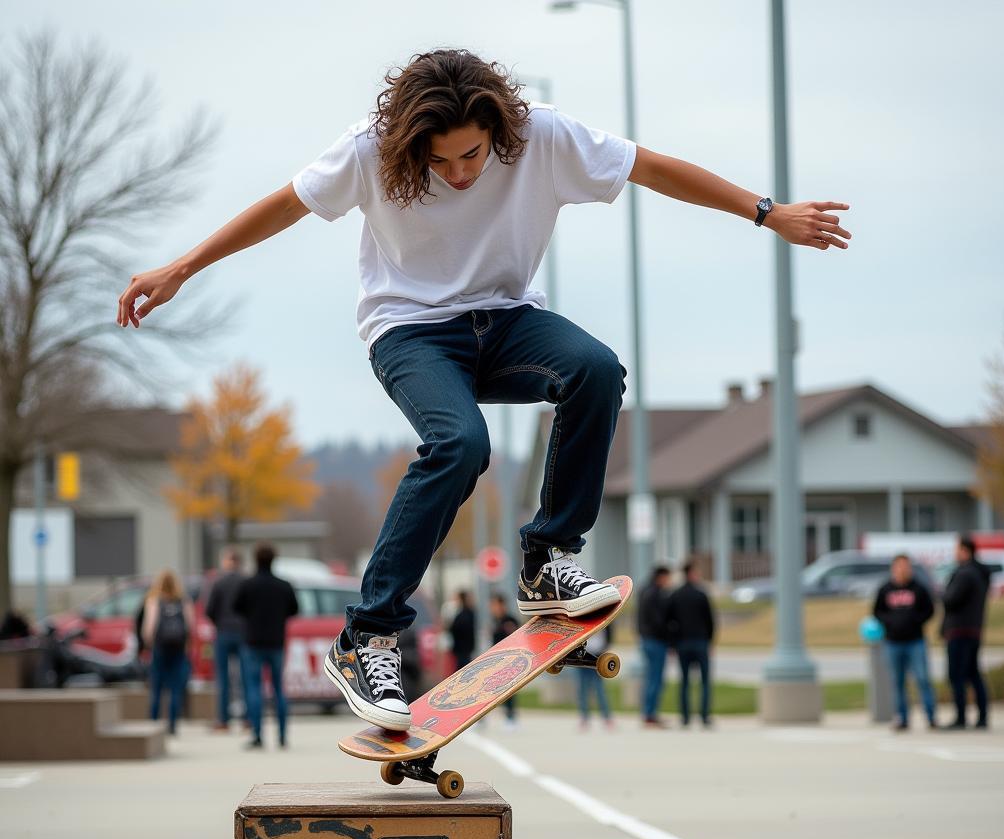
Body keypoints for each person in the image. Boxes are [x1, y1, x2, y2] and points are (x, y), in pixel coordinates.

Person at [116, 49, 850, 732]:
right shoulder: (369, 149)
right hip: (409, 333)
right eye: (440, 162)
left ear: (497, 126)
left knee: (595, 369)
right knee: (461, 444)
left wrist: (766, 211)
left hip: (507, 322)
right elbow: (284, 205)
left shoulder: (542, 137)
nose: (461, 172)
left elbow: (651, 168)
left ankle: (547, 556)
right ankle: (367, 636)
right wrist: (183, 267)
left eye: (472, 154)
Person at [233, 544, 298, 749]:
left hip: (252, 642)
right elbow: (294, 609)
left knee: (254, 688)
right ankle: (282, 736)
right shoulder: (284, 585)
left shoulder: (247, 585)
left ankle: (257, 735)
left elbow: (236, 608)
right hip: (276, 642)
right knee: (279, 688)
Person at [872, 554, 936, 731]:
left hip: (916, 641)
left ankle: (931, 717)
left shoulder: (919, 588)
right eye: (899, 566)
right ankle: (902, 719)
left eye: (905, 566)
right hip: (893, 642)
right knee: (898, 682)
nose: (902, 569)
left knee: (923, 679)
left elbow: (930, 610)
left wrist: (915, 620)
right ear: (894, 568)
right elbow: (877, 611)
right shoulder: (885, 589)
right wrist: (890, 622)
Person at [941, 536, 993, 730]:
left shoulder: (965, 574)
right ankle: (982, 716)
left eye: (957, 549)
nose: (955, 553)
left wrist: (943, 593)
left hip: (960, 630)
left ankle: (961, 717)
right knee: (973, 673)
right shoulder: (980, 573)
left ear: (965, 550)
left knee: (957, 675)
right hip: (974, 629)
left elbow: (950, 599)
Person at [141, 569, 194, 735]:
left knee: (156, 686)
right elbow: (190, 625)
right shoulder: (183, 600)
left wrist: (148, 644)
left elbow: (149, 627)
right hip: (178, 648)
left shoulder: (154, 600)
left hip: (160, 647)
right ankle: (172, 724)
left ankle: (154, 723)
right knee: (175, 687)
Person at [667, 560, 716, 728]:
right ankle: (704, 716)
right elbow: (710, 620)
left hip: (682, 643)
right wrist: (710, 641)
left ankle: (685, 717)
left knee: (685, 682)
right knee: (705, 681)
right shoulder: (701, 594)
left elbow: (669, 621)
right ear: (690, 573)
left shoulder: (675, 595)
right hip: (700, 642)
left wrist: (673, 644)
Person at [204, 548, 248, 731]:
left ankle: (223, 720)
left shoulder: (218, 582)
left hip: (223, 632)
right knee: (246, 677)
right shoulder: (246, 582)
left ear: (227, 561)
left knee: (222, 678)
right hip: (244, 633)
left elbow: (209, 610)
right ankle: (249, 719)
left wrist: (219, 622)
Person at [638, 566, 672, 728]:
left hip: (646, 640)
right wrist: (670, 637)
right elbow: (658, 621)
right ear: (660, 577)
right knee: (655, 679)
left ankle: (648, 712)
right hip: (656, 641)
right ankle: (650, 714)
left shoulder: (644, 591)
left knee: (650, 678)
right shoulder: (655, 594)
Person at [576, 624, 615, 731]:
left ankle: (606, 717)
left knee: (599, 688)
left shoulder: (603, 616)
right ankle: (584, 718)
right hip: (582, 656)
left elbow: (609, 631)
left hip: (598, 655)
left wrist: (606, 646)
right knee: (583, 688)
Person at [489, 593, 520, 726]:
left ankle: (511, 717)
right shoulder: (495, 621)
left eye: (495, 605)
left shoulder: (510, 620)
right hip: (498, 661)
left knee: (509, 691)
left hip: (510, 661)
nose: (493, 608)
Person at [449, 590, 477, 671]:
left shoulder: (464, 615)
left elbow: (455, 629)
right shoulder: (466, 613)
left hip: (464, 651)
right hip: (464, 650)